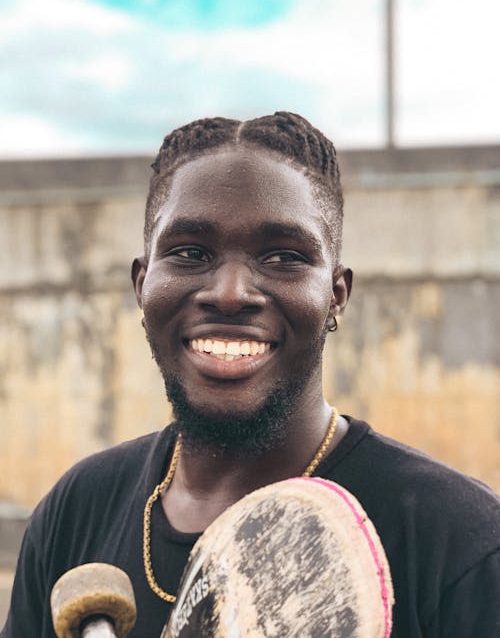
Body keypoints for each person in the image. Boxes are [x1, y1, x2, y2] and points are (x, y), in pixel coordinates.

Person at [2, 112, 499, 638]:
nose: (231, 292)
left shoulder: (458, 542)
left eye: (283, 256)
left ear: (336, 294)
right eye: (190, 252)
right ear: (142, 285)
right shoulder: (76, 510)